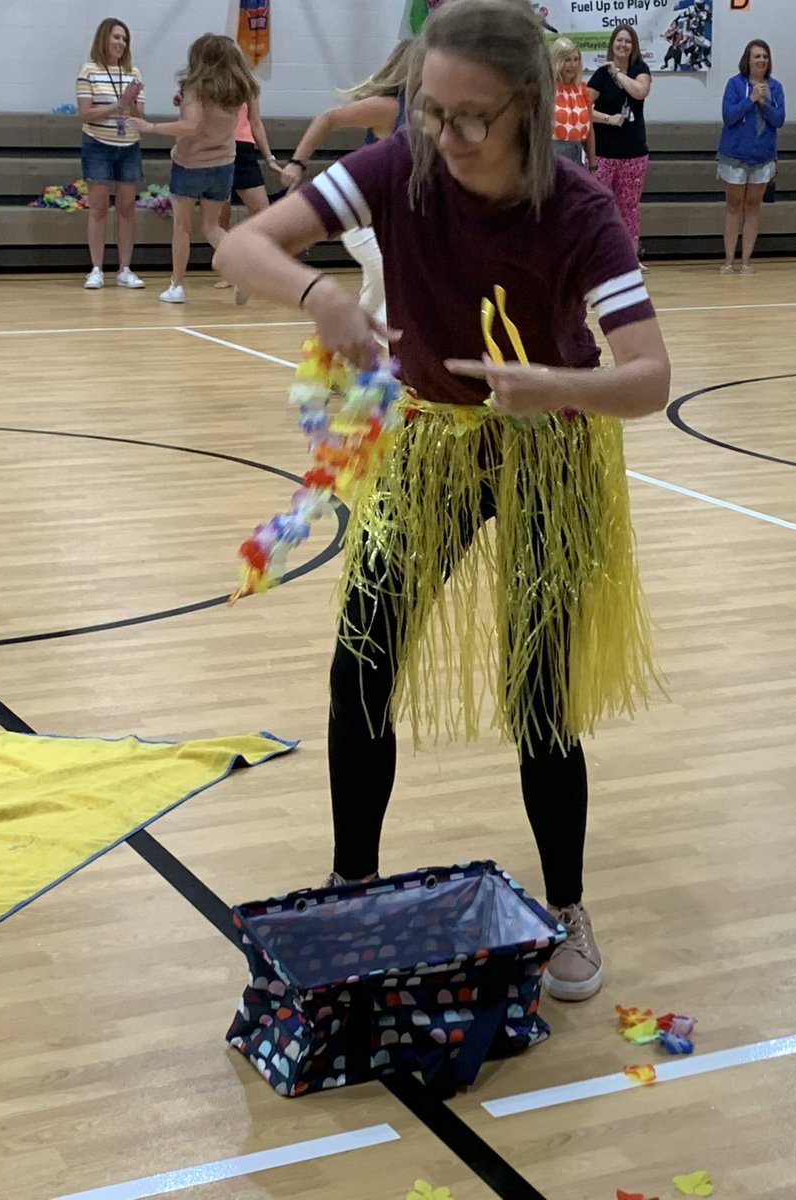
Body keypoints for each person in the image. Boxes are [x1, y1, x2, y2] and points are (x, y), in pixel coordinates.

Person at [216, 0, 670, 1003]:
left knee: (540, 694)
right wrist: (322, 297)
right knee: (361, 664)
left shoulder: (579, 211)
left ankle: (564, 910)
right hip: (430, 444)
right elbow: (241, 249)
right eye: (430, 110)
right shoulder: (399, 168)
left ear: (523, 108)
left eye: (471, 118)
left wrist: (558, 389)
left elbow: (647, 378)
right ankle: (351, 883)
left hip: (551, 453)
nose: (447, 136)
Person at [279, 40, 413, 325]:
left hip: (390, 222)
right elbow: (328, 118)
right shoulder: (389, 106)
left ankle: (337, 357)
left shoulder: (427, 110)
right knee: (401, 285)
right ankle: (385, 363)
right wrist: (297, 163)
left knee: (374, 297)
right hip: (365, 222)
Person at [129, 35, 256, 304]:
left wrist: (151, 127)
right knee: (212, 227)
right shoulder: (237, 88)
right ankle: (242, 270)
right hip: (223, 164)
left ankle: (176, 286)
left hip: (190, 165)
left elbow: (191, 126)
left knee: (182, 226)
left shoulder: (195, 87)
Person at [76, 17, 146, 290]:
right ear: (104, 38)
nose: (121, 43)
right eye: (116, 37)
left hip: (129, 144)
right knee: (99, 208)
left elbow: (140, 115)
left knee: (127, 208)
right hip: (98, 144)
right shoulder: (89, 70)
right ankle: (96, 269)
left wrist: (132, 103)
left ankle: (125, 269)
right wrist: (120, 103)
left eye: (125, 39)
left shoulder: (134, 73)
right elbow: (85, 112)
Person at [717, 40, 785, 274]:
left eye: (765, 56)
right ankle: (728, 260)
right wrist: (751, 99)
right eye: (757, 56)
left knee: (753, 206)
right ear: (748, 59)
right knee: (734, 205)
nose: (761, 60)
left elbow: (779, 120)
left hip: (762, 157)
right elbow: (729, 116)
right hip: (735, 155)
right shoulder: (735, 84)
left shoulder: (775, 87)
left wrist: (764, 102)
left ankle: (746, 260)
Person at [589, 25, 652, 267]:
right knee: (600, 207)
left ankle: (629, 259)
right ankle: (598, 259)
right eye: (619, 40)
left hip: (634, 153)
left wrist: (618, 74)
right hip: (604, 153)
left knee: (629, 207)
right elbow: (583, 108)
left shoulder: (640, 70)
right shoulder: (600, 74)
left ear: (633, 46)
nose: (623, 45)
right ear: (612, 44)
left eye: (628, 41)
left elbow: (639, 92)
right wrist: (607, 118)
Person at [211, 95, 282, 302]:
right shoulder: (213, 80)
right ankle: (232, 273)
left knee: (264, 213)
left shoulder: (248, 84)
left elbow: (256, 122)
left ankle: (265, 270)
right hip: (219, 146)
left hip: (244, 149)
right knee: (220, 218)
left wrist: (269, 158)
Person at [549, 37, 595, 172]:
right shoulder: (546, 90)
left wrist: (593, 167)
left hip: (577, 157)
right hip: (551, 157)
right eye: (567, 60)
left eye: (576, 59)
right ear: (557, 61)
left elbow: (590, 132)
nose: (573, 65)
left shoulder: (583, 90)